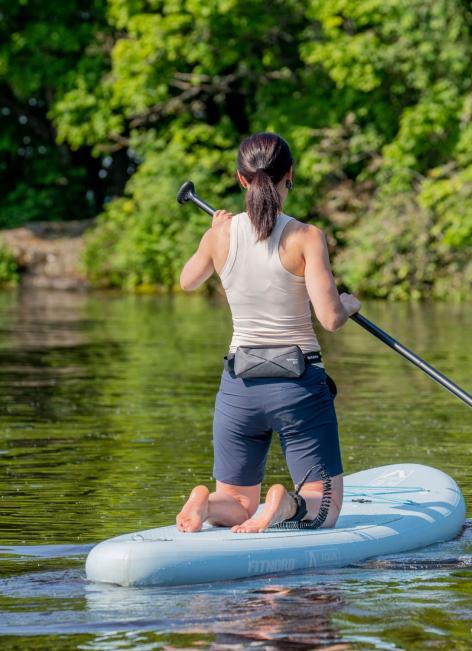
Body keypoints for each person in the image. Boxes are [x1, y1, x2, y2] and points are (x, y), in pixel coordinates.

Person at [175, 132, 361, 534]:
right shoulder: (306, 237)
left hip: (239, 384)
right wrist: (349, 305)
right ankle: (288, 504)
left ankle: (208, 505)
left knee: (239, 502)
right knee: (324, 508)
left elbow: (187, 281)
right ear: (289, 175)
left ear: (241, 180)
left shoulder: (219, 235)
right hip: (297, 385)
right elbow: (329, 318)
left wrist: (212, 235)